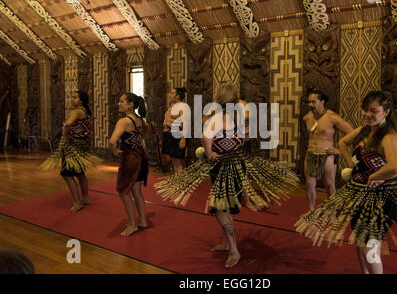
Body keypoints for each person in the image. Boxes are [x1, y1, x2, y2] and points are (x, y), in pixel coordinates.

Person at [295, 91, 397, 274]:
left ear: (386, 112)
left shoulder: (390, 137)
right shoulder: (365, 131)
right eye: (365, 110)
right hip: (363, 195)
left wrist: (373, 176)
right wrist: (353, 163)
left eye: (373, 111)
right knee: (359, 242)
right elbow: (344, 143)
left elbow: (396, 167)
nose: (368, 114)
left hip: (382, 198)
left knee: (369, 247)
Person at [155, 83, 300, 268]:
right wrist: (232, 143)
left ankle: (234, 250)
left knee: (221, 209)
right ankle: (228, 243)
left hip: (223, 165)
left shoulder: (217, 118)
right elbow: (248, 136)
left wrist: (210, 153)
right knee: (224, 207)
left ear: (219, 98)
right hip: (235, 162)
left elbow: (206, 137)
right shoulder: (241, 116)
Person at [40, 91, 102, 212]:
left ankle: (77, 202)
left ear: (81, 100)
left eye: (75, 97)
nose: (71, 99)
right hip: (82, 144)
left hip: (72, 146)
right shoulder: (84, 111)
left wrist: (65, 135)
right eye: (71, 97)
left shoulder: (77, 111)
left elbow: (68, 124)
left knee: (67, 174)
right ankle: (85, 198)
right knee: (79, 173)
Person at [303, 89, 353, 210]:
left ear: (322, 101)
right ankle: (311, 211)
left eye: (313, 102)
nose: (310, 105)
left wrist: (339, 151)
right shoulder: (307, 118)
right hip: (311, 153)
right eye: (309, 102)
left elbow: (351, 132)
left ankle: (331, 213)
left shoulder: (332, 117)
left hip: (328, 154)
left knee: (329, 185)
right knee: (310, 184)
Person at [109, 93, 150, 237]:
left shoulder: (124, 121)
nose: (118, 104)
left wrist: (115, 151)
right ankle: (143, 220)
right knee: (137, 192)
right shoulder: (139, 120)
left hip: (130, 161)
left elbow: (112, 140)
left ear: (130, 105)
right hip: (141, 158)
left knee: (123, 191)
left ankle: (132, 224)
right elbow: (144, 136)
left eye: (121, 101)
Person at [162, 87, 189, 172]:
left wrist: (183, 139)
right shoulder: (173, 106)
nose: (170, 95)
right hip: (170, 136)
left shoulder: (183, 106)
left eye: (172, 93)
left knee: (177, 162)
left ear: (178, 96)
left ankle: (179, 184)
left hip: (178, 135)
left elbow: (186, 123)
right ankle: (183, 182)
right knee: (177, 161)